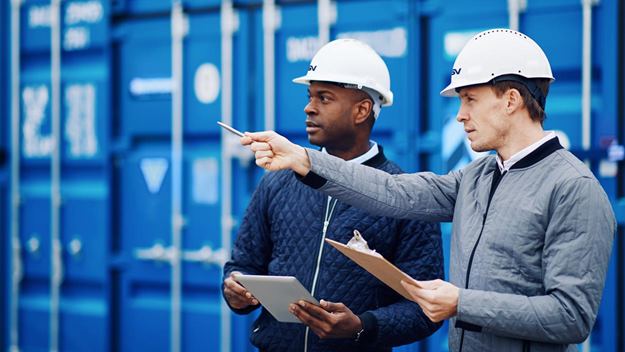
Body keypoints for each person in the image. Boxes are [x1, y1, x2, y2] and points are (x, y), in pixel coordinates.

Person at [241, 29, 616, 351]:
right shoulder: (477, 176)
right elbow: (393, 191)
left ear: (511, 100)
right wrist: (303, 159)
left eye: (470, 99)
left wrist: (461, 303)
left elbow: (571, 316)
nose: (460, 115)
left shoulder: (574, 189)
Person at [222, 38, 444, 352]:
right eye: (310, 96)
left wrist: (362, 327)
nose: (309, 107)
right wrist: (235, 291)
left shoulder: (407, 196)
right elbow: (242, 265)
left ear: (362, 110)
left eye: (324, 98)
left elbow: (425, 310)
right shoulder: (277, 182)